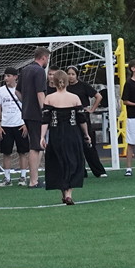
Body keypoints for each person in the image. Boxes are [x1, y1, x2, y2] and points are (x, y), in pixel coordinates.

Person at [41, 69, 86, 204]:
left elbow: (45, 120)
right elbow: (81, 120)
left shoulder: (49, 98)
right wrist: (86, 134)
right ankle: (68, 193)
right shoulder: (75, 98)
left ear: (54, 82)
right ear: (67, 82)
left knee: (58, 162)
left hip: (56, 133)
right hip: (72, 133)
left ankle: (64, 193)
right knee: (73, 161)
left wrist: (42, 136)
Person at [65, 66, 106, 177]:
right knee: (74, 145)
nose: (70, 76)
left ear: (77, 75)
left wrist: (92, 109)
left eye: (73, 74)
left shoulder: (83, 86)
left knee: (88, 144)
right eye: (69, 74)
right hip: (70, 117)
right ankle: (81, 172)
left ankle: (99, 171)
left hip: (83, 116)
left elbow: (98, 96)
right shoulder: (65, 87)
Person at [17, 47, 50, 187]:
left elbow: (17, 92)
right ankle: (33, 181)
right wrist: (45, 110)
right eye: (47, 58)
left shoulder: (25, 70)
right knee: (35, 146)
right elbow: (40, 93)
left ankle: (34, 179)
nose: (47, 61)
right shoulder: (39, 71)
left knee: (37, 145)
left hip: (26, 112)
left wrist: (26, 102)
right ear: (43, 57)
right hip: (36, 113)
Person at [0, 68, 26, 185]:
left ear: (15, 77)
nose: (6, 78)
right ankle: (7, 178)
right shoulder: (1, 91)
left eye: (8, 76)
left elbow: (27, 106)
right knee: (6, 152)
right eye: (5, 76)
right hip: (6, 125)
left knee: (22, 152)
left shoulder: (22, 89)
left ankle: (23, 176)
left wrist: (26, 124)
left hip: (20, 124)